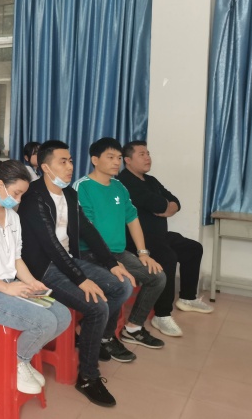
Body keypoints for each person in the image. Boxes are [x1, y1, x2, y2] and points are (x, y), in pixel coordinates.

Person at [19, 140, 136, 407]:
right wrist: (81, 280)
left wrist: (111, 263)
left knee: (121, 286)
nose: (70, 166)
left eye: (71, 160)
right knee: (98, 306)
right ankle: (87, 377)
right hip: (43, 269)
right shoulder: (34, 197)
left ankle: (92, 336)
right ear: (45, 167)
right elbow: (51, 245)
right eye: (63, 161)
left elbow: (88, 230)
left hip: (68, 261)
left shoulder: (69, 195)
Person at [0, 159, 71, 394]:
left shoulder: (12, 217)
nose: (18, 200)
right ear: (0, 185)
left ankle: (22, 359)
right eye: (17, 193)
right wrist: (7, 288)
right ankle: (18, 361)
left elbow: (16, 258)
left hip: (9, 285)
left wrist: (31, 282)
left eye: (21, 195)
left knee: (62, 315)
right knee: (45, 321)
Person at [74, 137, 166, 349]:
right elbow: (88, 229)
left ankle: (133, 328)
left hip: (117, 252)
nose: (116, 162)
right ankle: (105, 337)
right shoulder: (82, 187)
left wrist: (143, 253)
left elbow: (132, 219)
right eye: (110, 157)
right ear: (95, 160)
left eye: (118, 158)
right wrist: (110, 262)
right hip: (90, 253)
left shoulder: (119, 187)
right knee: (120, 282)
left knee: (157, 277)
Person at [118, 141, 212, 337]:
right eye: (142, 154)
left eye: (148, 153)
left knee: (193, 248)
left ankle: (187, 298)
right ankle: (161, 315)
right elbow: (160, 205)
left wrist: (168, 206)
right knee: (167, 257)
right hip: (136, 241)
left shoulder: (150, 180)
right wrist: (165, 206)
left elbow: (175, 202)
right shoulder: (125, 182)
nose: (147, 158)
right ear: (127, 160)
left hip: (159, 236)